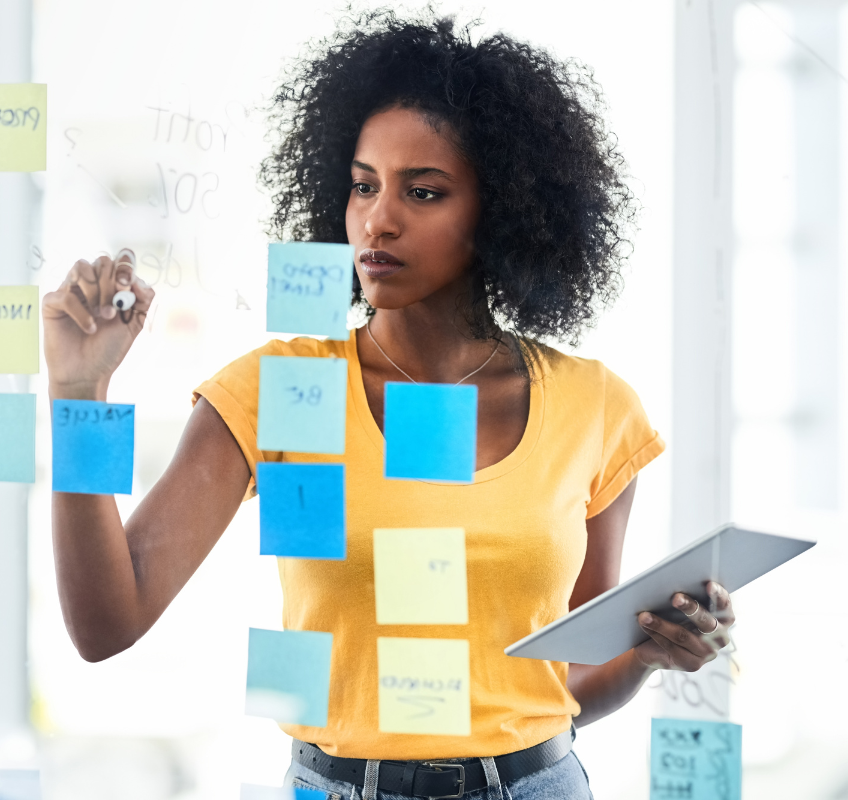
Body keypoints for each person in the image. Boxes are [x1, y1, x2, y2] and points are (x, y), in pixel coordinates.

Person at [41, 11, 735, 800]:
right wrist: (78, 393)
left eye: (424, 191)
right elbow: (106, 624)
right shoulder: (280, 389)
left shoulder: (596, 406)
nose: (380, 218)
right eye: (364, 185)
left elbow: (562, 681)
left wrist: (648, 653)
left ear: (500, 212)